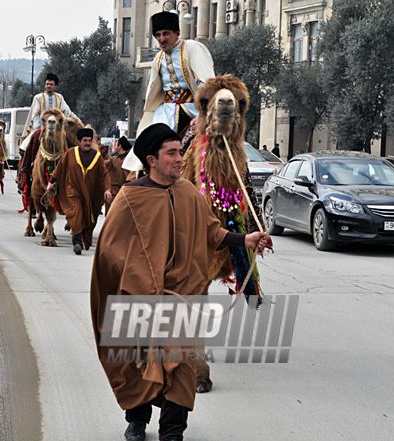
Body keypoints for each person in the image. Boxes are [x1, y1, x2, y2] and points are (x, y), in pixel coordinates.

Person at [90, 123, 267, 441]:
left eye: (180, 152)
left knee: (182, 367)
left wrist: (246, 239)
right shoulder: (130, 198)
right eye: (171, 152)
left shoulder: (188, 192)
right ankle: (138, 421)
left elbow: (212, 231)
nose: (179, 158)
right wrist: (138, 280)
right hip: (142, 299)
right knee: (141, 361)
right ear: (151, 159)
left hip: (182, 297)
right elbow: (110, 250)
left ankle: (172, 432)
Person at [123, 11, 215, 172]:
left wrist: (203, 114)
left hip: (193, 110)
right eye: (157, 35)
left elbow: (207, 83)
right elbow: (153, 92)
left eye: (166, 34)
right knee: (144, 153)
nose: (161, 39)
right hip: (164, 113)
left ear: (177, 33)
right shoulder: (157, 59)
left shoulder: (192, 48)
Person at [45, 127, 112, 255]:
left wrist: (107, 190)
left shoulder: (97, 157)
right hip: (72, 190)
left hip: (90, 193)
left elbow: (104, 174)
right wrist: (50, 183)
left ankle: (81, 238)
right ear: (78, 142)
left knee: (87, 217)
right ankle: (77, 242)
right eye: (85, 140)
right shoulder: (70, 153)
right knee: (76, 213)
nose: (87, 143)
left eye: (89, 140)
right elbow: (59, 169)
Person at [20, 73, 76, 150]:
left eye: (51, 84)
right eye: (47, 84)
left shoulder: (59, 97)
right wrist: (39, 127)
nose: (49, 86)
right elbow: (35, 114)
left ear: (55, 86)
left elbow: (67, 112)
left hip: (57, 128)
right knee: (27, 146)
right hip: (42, 127)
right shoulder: (38, 97)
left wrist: (76, 120)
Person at [104, 136, 132, 213]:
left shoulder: (131, 161)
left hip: (126, 195)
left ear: (120, 146)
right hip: (113, 194)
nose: (114, 147)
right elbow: (101, 166)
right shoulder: (113, 160)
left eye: (116, 145)